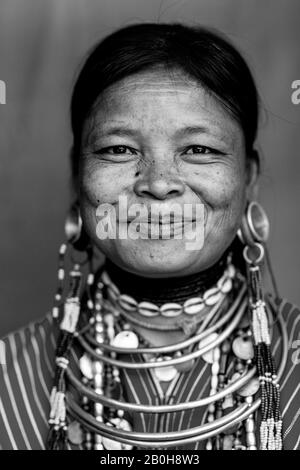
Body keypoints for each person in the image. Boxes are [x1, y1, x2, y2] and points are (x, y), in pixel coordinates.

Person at [0, 23, 299, 451]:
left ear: (247, 177)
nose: (158, 184)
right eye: (119, 149)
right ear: (77, 174)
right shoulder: (9, 375)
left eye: (199, 150)